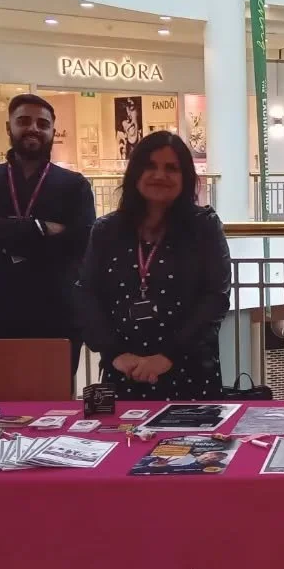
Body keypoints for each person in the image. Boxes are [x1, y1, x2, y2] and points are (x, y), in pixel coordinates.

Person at [77, 132, 231, 401]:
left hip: (190, 372)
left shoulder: (204, 228)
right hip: (123, 371)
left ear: (185, 177)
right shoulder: (106, 231)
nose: (160, 175)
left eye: (171, 168)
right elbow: (87, 294)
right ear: (135, 173)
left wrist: (167, 356)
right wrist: (115, 354)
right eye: (150, 166)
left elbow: (215, 298)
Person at [0, 94, 96, 373]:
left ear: (53, 132)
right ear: (8, 127)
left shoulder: (74, 186)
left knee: (54, 398)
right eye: (23, 121)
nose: (33, 128)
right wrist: (42, 228)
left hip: (56, 314)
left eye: (42, 124)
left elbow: (80, 241)